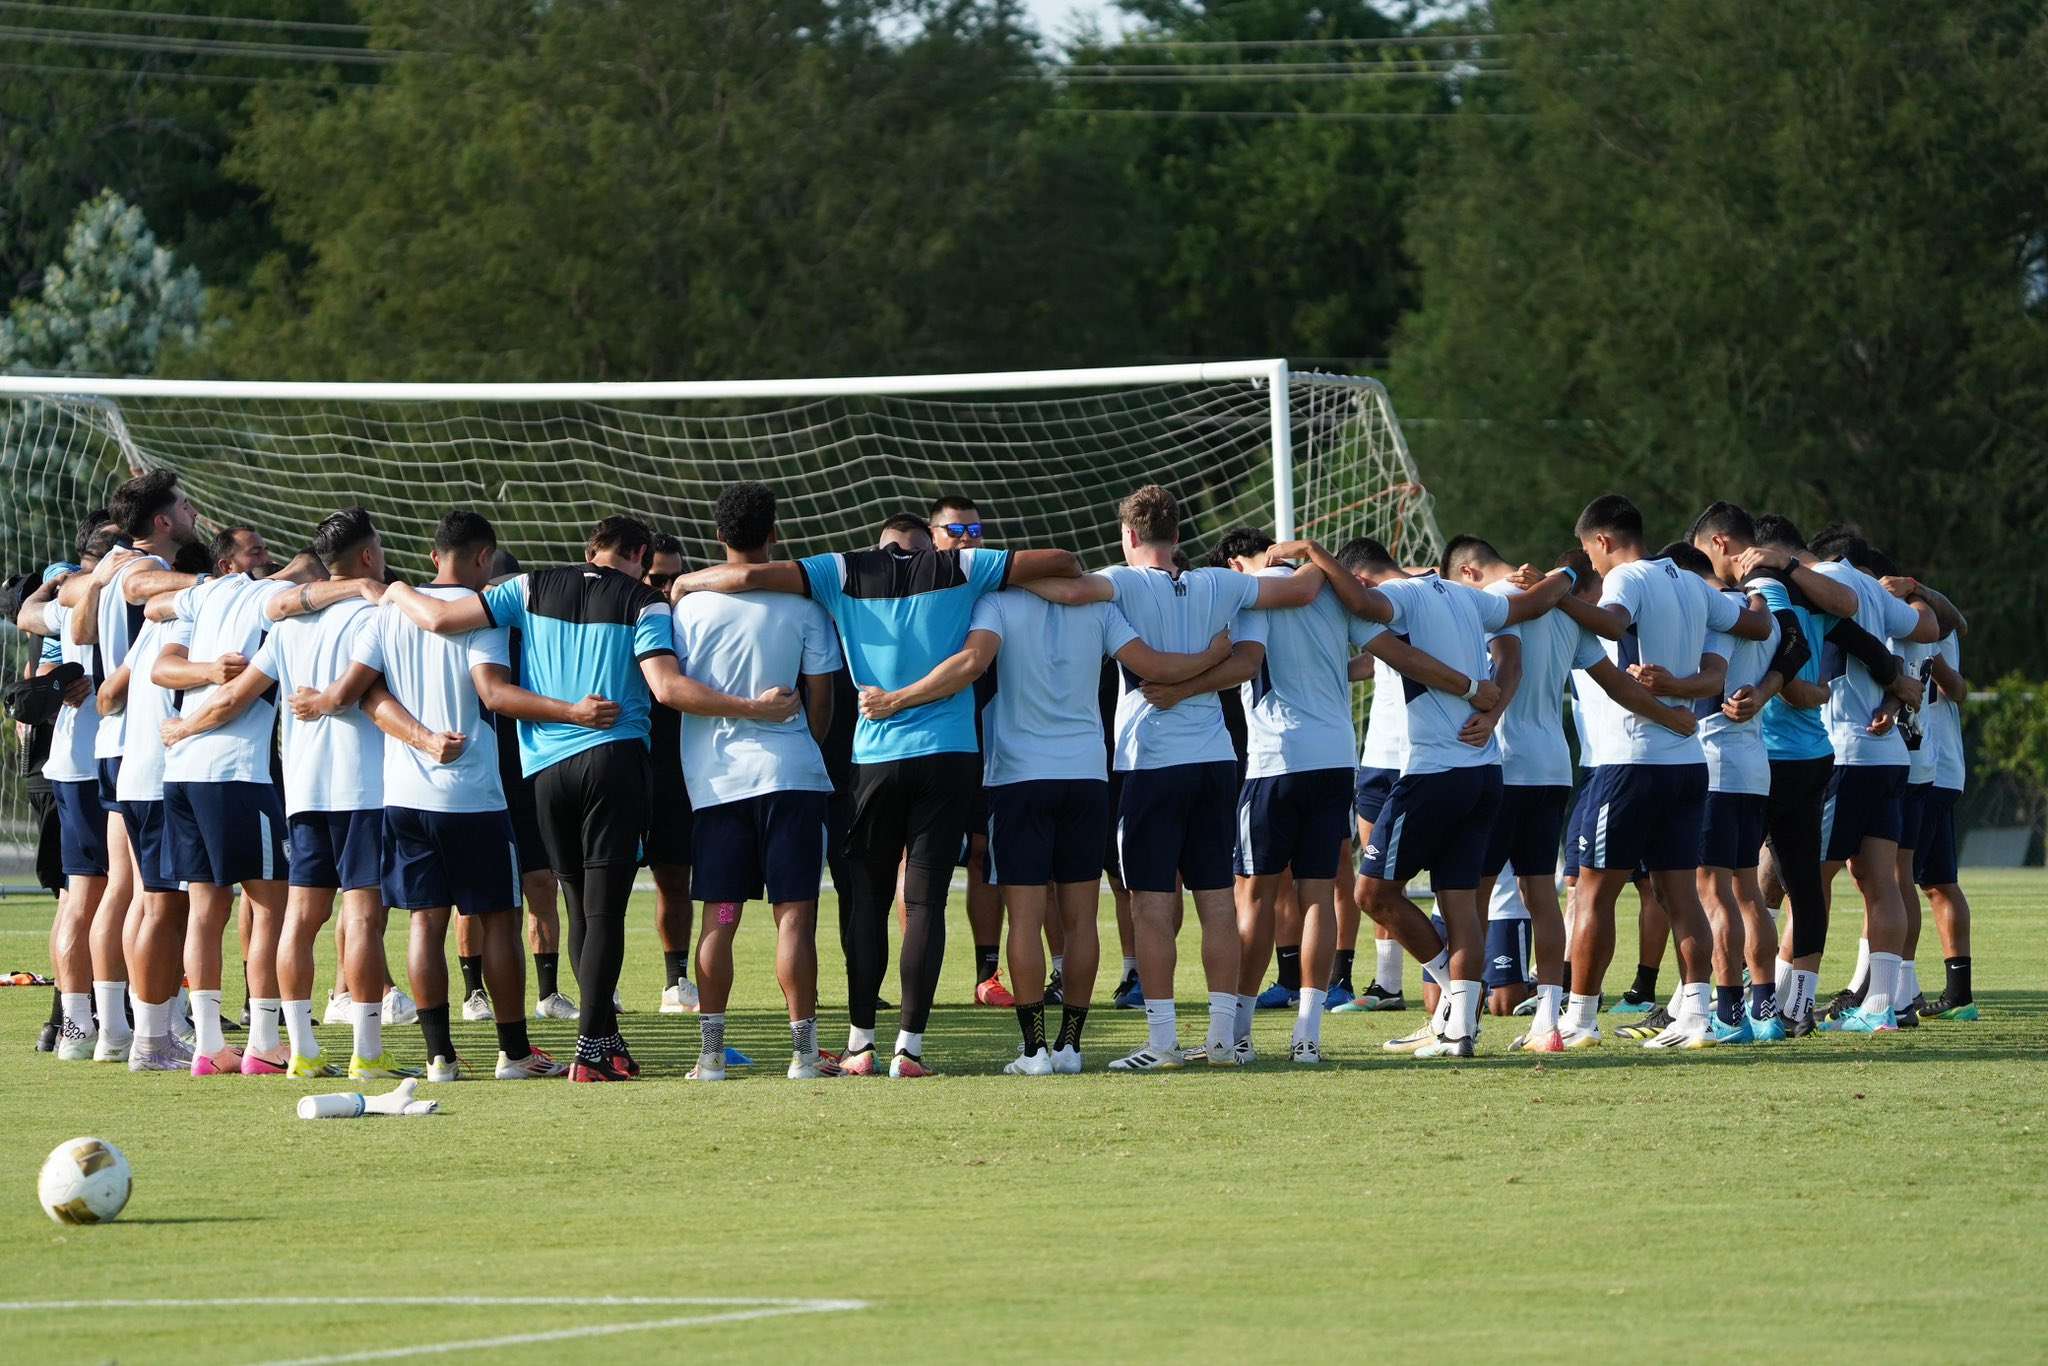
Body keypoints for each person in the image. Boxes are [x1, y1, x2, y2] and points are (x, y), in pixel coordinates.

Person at [385, 514, 793, 1082]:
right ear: (641, 556)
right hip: (614, 762)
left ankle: (603, 1036)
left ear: (589, 548)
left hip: (547, 770)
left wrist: (390, 587)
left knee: (577, 907)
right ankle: (592, 1049)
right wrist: (754, 708)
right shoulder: (644, 603)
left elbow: (438, 617)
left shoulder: (526, 586)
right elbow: (667, 689)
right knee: (603, 911)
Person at [672, 511, 1078, 1079]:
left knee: (866, 902)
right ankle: (908, 1050)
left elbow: (748, 577)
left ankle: (860, 1044)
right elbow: (1064, 562)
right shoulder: (963, 564)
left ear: (880, 545)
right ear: (926, 542)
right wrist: (1012, 576)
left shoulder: (842, 569)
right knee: (925, 904)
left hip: (873, 759)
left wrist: (690, 581)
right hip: (949, 754)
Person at [859, 540, 1227, 1074]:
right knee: (1082, 921)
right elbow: (1155, 666)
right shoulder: (1099, 606)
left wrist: (897, 698)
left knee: (1026, 922)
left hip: (1019, 779)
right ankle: (1071, 1048)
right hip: (1085, 776)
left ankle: (1035, 1052)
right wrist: (1214, 657)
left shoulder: (997, 603)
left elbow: (969, 664)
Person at [1021, 487, 1328, 1071]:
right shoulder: (1223, 582)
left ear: (1129, 536)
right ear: (1179, 535)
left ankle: (1162, 1042)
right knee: (1216, 900)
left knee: (1151, 906)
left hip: (1150, 764)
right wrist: (1292, 553)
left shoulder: (1125, 581)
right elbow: (1305, 587)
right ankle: (1219, 1041)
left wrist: (994, 575)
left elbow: (1065, 589)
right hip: (1215, 760)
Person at [298, 509, 581, 1080]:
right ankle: (515, 1055)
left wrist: (323, 702)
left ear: (433, 557)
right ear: (483, 559)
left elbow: (356, 693)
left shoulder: (387, 613)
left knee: (425, 923)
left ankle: (439, 1058)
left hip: (402, 796)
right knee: (499, 919)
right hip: (473, 794)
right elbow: (493, 694)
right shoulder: (483, 617)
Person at [1289, 536, 1569, 1058]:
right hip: (1485, 774)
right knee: (1459, 900)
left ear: (1367, 578)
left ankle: (1451, 992)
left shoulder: (1405, 598)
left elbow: (1362, 604)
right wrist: (1570, 573)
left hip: (1433, 772)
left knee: (1372, 894)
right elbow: (1527, 616)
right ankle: (1460, 1025)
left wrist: (1311, 551)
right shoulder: (1467, 596)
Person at [161, 509, 391, 1075]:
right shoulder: (371, 615)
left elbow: (216, 679)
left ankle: (288, 1053)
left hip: (292, 790)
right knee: (348, 915)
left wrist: (182, 729)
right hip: (351, 786)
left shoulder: (220, 601)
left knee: (279, 917)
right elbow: (359, 695)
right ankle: (354, 1054)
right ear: (365, 558)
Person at [1550, 494, 1773, 1051]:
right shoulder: (1693, 584)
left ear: (1603, 541)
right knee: (1682, 896)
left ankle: (1579, 1019)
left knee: (1592, 893)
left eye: (1589, 554)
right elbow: (1753, 627)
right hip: (1688, 764)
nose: (1593, 567)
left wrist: (1556, 593)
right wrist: (1761, 608)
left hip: (1629, 762)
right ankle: (1695, 1016)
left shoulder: (1626, 578)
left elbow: (1609, 618)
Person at [670, 484, 843, 1080]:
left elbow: (673, 691)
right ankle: (803, 1056)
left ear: (718, 537)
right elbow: (822, 698)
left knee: (720, 915)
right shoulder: (804, 605)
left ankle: (711, 1056)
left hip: (719, 786)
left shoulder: (686, 607)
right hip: (791, 777)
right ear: (775, 533)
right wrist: (803, 743)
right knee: (794, 918)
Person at [154, 526, 332, 1076]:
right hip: (233, 772)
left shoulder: (203, 595)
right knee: (272, 905)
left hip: (182, 776)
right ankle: (261, 1041)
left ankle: (209, 1047)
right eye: (255, 551)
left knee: (209, 910)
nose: (267, 558)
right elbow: (234, 696)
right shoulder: (264, 598)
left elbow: (156, 606)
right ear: (230, 564)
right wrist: (186, 726)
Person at [1204, 528, 1383, 1064]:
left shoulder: (1251, 592)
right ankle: (1308, 1036)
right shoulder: (1330, 587)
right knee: (1318, 894)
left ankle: (1237, 1034)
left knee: (1253, 894)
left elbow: (1243, 661)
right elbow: (1377, 654)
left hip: (1276, 759)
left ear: (1237, 564)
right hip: (1334, 756)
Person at [60, 472, 204, 1063]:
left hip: (118, 742)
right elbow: (123, 598)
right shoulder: (136, 571)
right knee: (158, 899)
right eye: (183, 504)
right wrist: (223, 588)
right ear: (163, 521)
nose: (195, 510)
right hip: (147, 744)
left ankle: (124, 1030)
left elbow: (75, 620)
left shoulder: (110, 568)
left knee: (135, 892)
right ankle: (148, 1034)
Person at [1444, 538, 1607, 1050]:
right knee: (1543, 895)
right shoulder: (1562, 608)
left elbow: (1507, 667)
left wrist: (1488, 716)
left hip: (1504, 761)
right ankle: (1548, 1024)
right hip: (1554, 764)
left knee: (1475, 893)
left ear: (1466, 572)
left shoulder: (1499, 599)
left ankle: (1460, 1021)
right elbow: (1610, 678)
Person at [1799, 527, 1941, 1033]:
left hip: (1844, 752)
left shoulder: (1821, 579)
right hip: (1889, 757)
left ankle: (1794, 1005)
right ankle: (1882, 1005)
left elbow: (1842, 641)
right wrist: (1916, 591)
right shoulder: (1880, 598)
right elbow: (1926, 628)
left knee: (1809, 882)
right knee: (1882, 883)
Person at [1665, 540, 1808, 1044]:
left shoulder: (1718, 612)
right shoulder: (1760, 606)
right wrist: (1766, 690)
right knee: (1748, 893)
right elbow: (1798, 645)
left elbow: (1712, 677)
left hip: (1716, 767)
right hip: (1754, 767)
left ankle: (1728, 1012)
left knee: (1714, 895)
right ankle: (1765, 1009)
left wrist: (1662, 683)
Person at [96, 539, 213, 1069]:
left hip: (134, 775)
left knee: (154, 905)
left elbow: (108, 693)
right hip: (161, 781)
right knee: (166, 908)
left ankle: (153, 1033)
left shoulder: (151, 627)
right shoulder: (189, 622)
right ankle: (151, 1040)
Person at [926, 493, 1017, 1007]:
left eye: (974, 531)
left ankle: (988, 973)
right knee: (916, 861)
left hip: (983, 740)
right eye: (956, 532)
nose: (968, 540)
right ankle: (919, 969)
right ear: (933, 536)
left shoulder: (988, 584)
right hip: (919, 737)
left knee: (985, 854)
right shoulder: (905, 587)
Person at [641, 532, 698, 1015]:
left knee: (687, 884)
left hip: (681, 774)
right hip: (618, 769)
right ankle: (604, 985)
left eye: (675, 577)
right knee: (602, 887)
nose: (667, 588)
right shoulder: (618, 619)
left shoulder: (696, 624)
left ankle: (677, 978)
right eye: (657, 578)